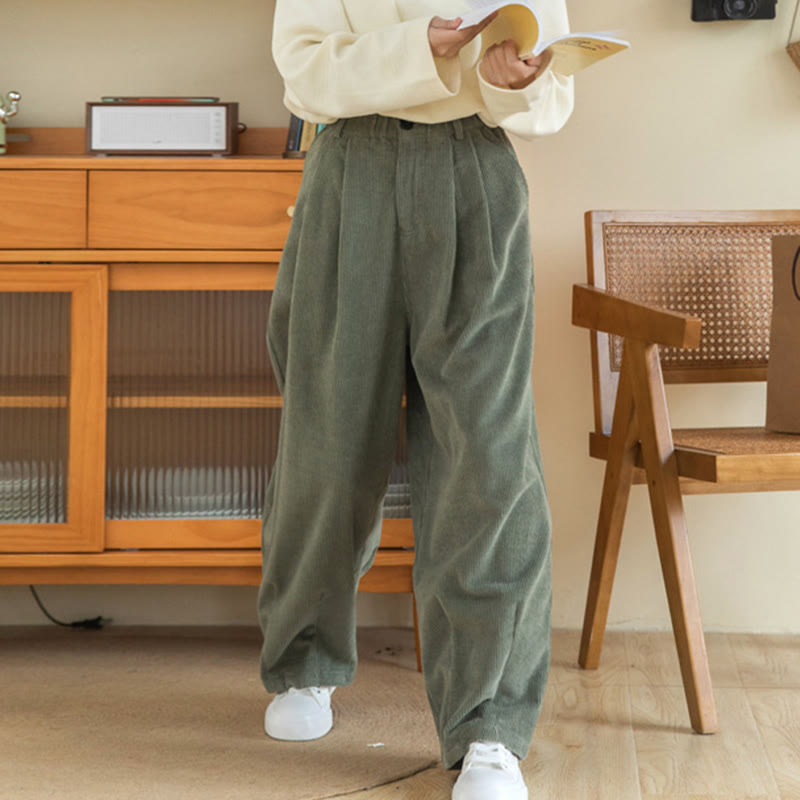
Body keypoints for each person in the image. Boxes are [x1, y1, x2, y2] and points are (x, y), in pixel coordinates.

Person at [257, 2, 574, 798]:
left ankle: (489, 725)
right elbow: (302, 70)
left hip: (475, 176)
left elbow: (550, 91)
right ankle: (306, 661)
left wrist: (514, 79)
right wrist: (419, 52)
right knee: (328, 442)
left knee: (489, 460)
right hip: (348, 173)